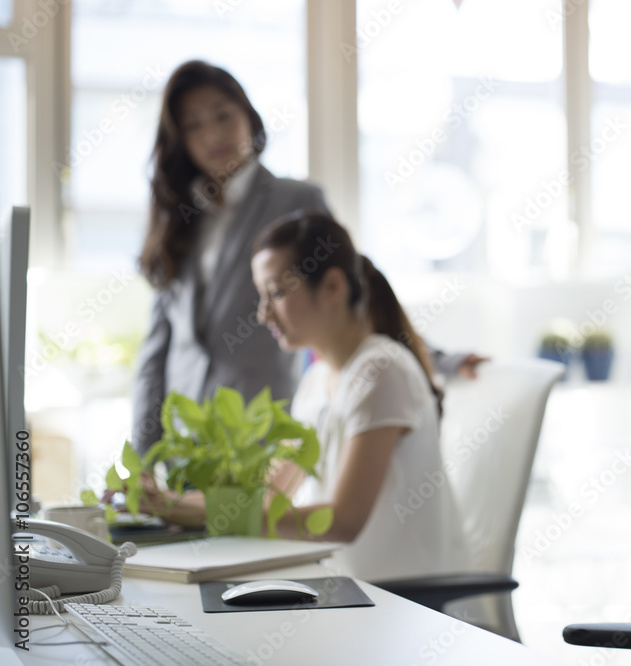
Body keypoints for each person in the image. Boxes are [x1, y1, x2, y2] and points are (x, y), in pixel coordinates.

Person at [132, 60, 483, 456]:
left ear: (248, 116)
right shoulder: (178, 219)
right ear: (179, 139)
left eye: (223, 115)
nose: (213, 133)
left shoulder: (293, 200)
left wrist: (435, 357)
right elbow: (157, 347)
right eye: (193, 124)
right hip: (182, 440)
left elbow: (353, 288)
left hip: (257, 428)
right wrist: (142, 459)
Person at [144, 210, 469, 581]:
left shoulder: (381, 370)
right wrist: (167, 503)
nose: (264, 314)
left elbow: (343, 522)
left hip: (398, 606)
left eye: (277, 293)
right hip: (342, 593)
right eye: (262, 296)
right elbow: (272, 492)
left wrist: (205, 511)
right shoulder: (317, 380)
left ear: (332, 287)